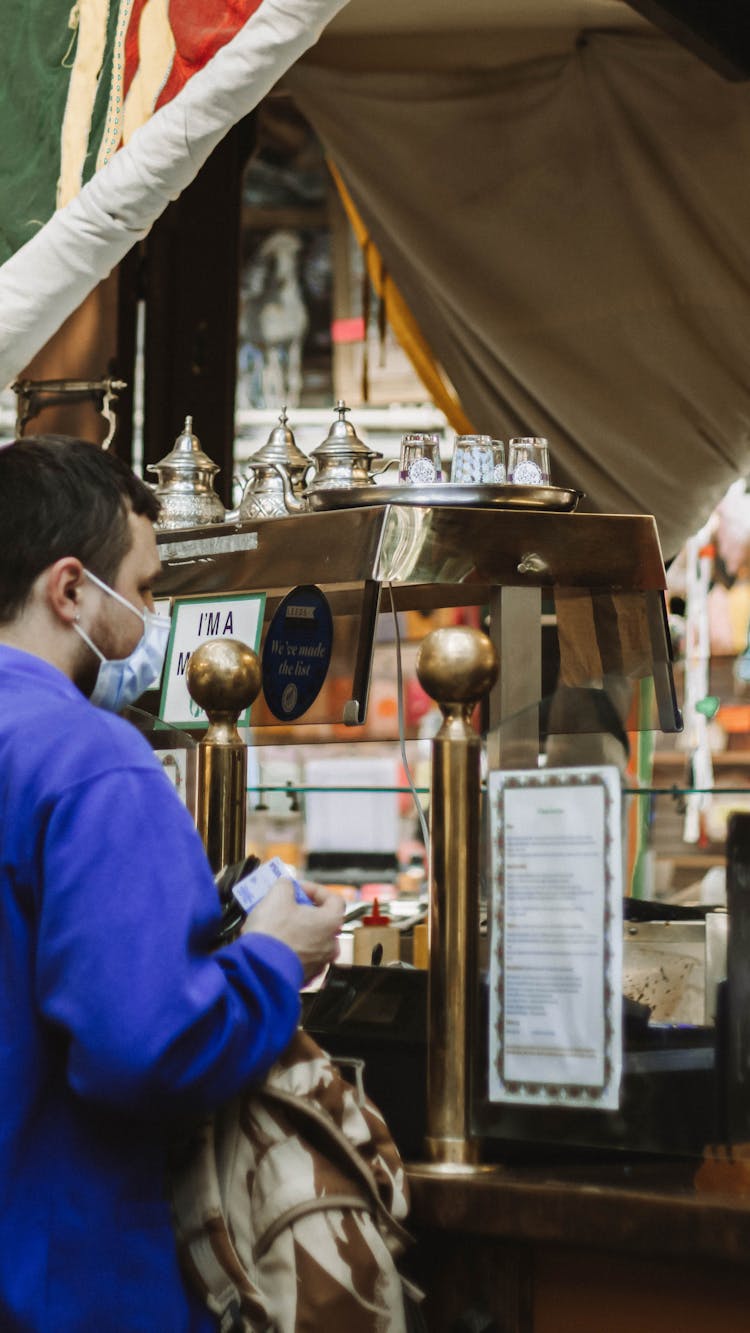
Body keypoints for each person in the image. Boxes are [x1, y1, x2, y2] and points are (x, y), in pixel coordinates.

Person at [0, 435, 344, 1332]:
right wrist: (274, 954)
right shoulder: (90, 759)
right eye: (148, 591)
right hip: (63, 1288)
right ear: (70, 589)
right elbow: (141, 1046)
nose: (154, 622)